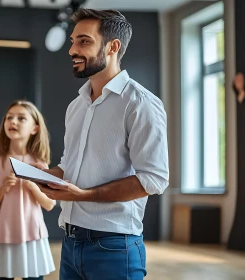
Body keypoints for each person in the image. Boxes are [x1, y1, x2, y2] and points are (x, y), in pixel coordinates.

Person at [36, 8, 169, 280]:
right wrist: (42, 175)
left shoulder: (140, 103)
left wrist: (84, 195)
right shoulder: (76, 106)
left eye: (84, 41)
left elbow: (154, 179)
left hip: (115, 248)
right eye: (73, 41)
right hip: (71, 243)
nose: (72, 49)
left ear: (113, 47)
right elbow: (69, 167)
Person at [0, 100, 56, 280]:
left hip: (33, 237)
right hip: (2, 237)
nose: (13, 122)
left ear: (35, 129)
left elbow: (49, 204)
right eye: (9, 118)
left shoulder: (39, 164)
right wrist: (3, 189)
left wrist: (31, 185)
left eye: (21, 118)